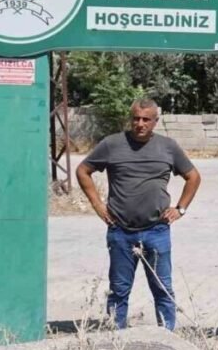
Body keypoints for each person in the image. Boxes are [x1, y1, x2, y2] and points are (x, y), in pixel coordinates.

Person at [76, 98, 202, 330]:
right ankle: (117, 340)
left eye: (146, 119)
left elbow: (193, 177)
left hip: (157, 230)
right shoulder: (112, 144)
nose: (140, 124)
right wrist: (97, 204)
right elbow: (83, 170)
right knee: (119, 290)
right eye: (136, 118)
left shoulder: (168, 146)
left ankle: (167, 337)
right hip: (121, 231)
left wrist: (180, 209)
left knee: (163, 290)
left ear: (155, 121)